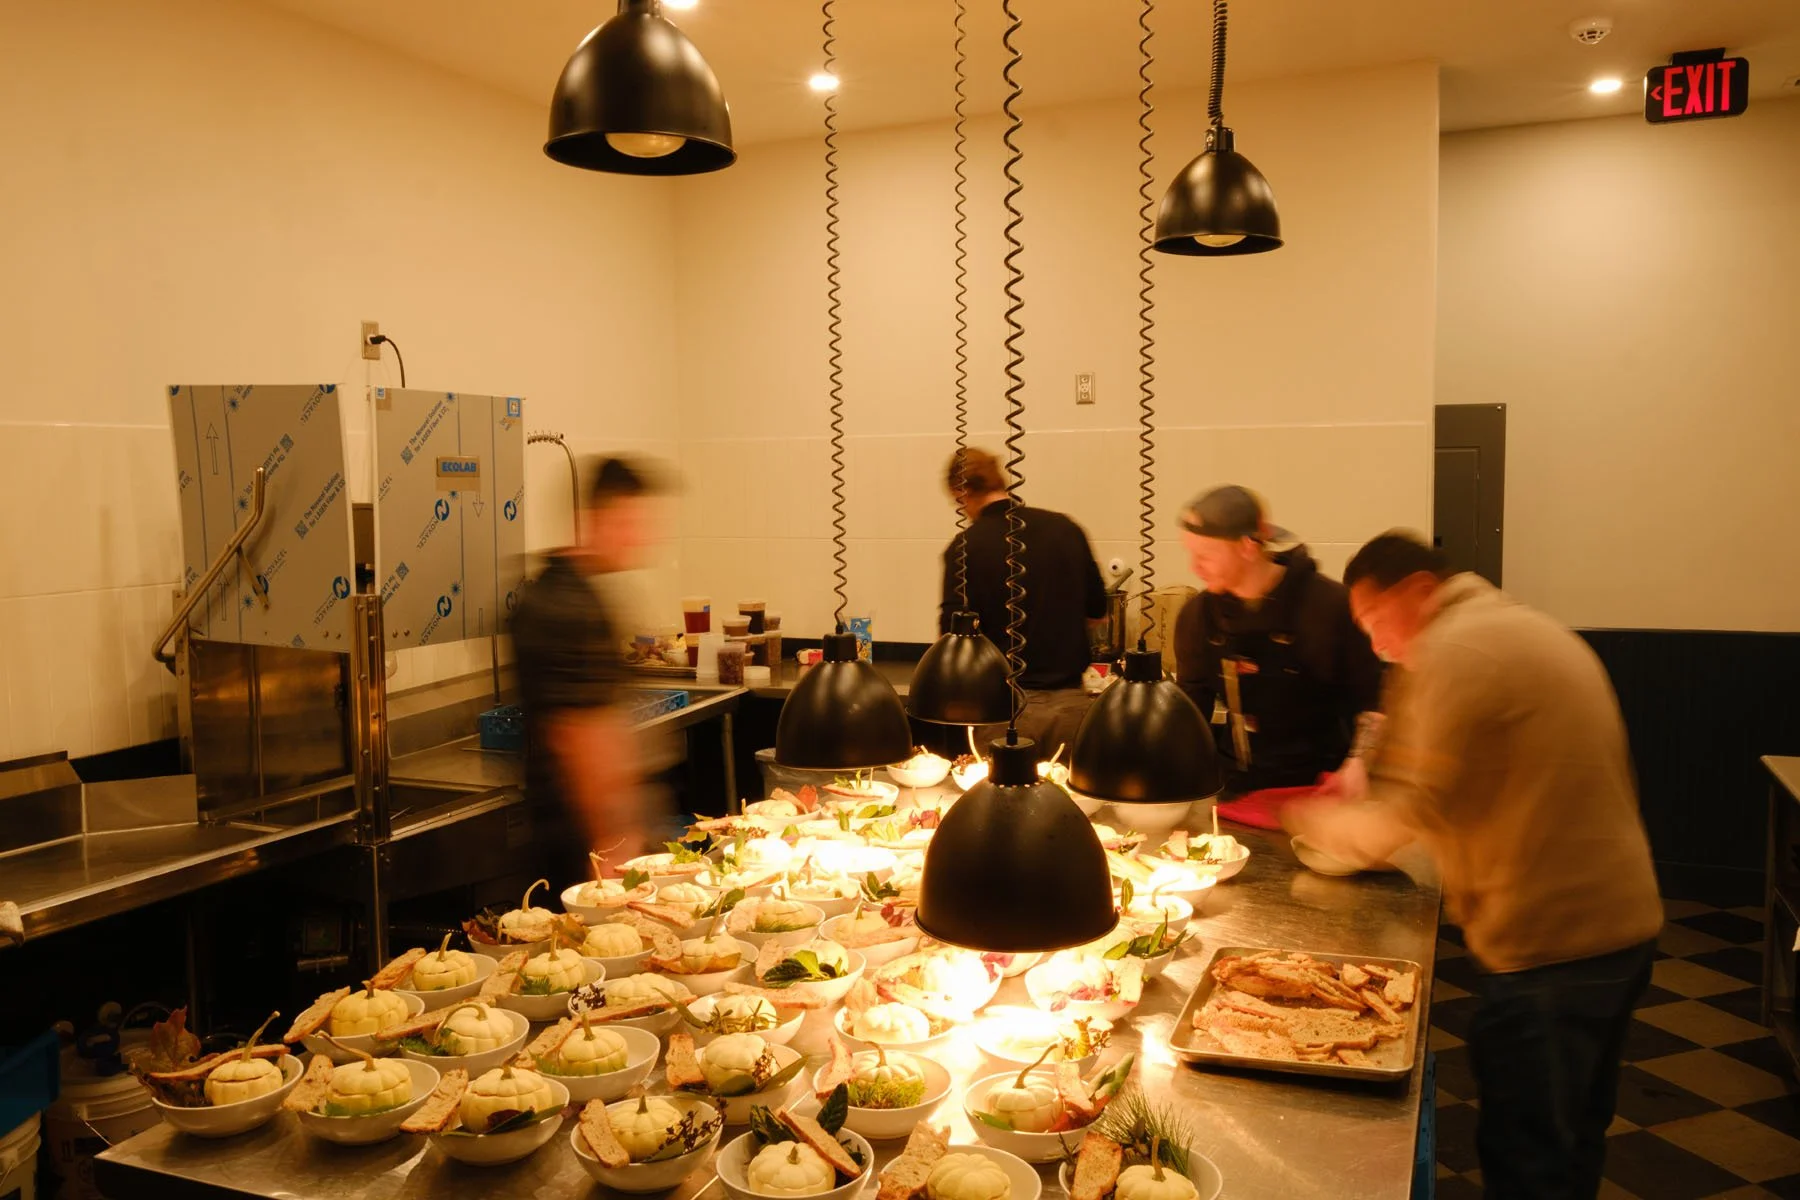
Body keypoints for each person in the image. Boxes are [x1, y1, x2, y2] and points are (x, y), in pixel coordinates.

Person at [1287, 531, 1662, 1200]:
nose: (1376, 643)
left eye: (1375, 620)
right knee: (1575, 1139)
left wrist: (1299, 817)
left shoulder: (1455, 651)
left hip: (1552, 947)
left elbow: (1410, 808)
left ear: (1419, 591)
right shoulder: (1509, 626)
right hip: (1620, 928)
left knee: (1528, 1159)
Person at [1173, 485, 1384, 797]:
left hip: (1322, 788)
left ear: (1248, 546)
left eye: (1206, 556)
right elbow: (1190, 713)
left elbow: (1375, 701)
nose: (1194, 567)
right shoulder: (1199, 617)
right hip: (1235, 787)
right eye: (1191, 554)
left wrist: (1360, 763)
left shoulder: (1330, 607)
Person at [510, 456, 664, 867]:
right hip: (580, 838)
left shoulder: (563, 587)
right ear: (598, 518)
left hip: (571, 829)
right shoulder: (569, 608)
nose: (640, 537)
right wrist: (612, 840)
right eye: (630, 523)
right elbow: (581, 739)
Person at [939, 447, 1107, 755]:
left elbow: (952, 642)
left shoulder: (964, 549)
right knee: (1070, 788)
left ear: (960, 491)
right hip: (1071, 709)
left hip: (1002, 714)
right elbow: (1098, 613)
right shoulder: (1065, 529)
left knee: (1001, 789)